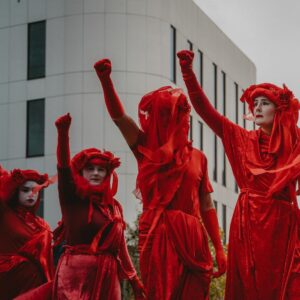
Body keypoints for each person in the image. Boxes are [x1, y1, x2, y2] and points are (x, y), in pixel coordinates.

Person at [94, 58, 226, 300]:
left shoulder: (199, 158)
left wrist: (218, 247)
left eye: (178, 113)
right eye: (164, 114)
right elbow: (120, 119)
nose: (173, 119)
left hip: (194, 239)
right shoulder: (145, 147)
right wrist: (106, 81)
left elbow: (207, 205)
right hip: (158, 234)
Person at [177, 49, 300, 299]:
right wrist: (187, 72)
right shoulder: (240, 139)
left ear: (279, 109)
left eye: (264, 103)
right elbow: (205, 111)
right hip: (250, 221)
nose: (256, 107)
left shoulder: (295, 142)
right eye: (254, 103)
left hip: (284, 223)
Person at [52, 113, 145, 299]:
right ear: (81, 171)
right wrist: (63, 134)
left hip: (107, 278)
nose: (95, 173)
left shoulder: (114, 208)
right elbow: (63, 168)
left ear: (107, 173)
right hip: (75, 277)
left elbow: (120, 247)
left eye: (101, 169)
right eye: (90, 168)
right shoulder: (72, 198)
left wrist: (134, 280)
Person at [0, 167, 54, 299]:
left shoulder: (42, 225)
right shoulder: (5, 213)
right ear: (16, 191)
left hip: (35, 287)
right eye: (25, 190)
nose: (31, 194)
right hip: (7, 282)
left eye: (35, 191)